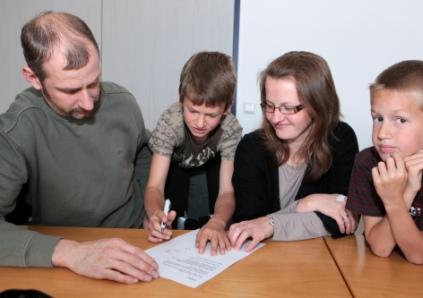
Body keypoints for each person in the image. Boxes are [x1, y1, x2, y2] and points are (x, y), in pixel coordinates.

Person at [0, 11, 159, 284]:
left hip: (136, 243)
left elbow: (143, 151)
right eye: (71, 90)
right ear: (34, 78)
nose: (88, 103)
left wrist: (148, 207)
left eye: (94, 83)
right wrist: (70, 252)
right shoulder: (17, 130)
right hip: (67, 253)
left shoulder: (123, 102)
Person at [228, 51, 359, 251]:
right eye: (269, 106)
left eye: (288, 108)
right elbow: (249, 225)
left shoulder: (340, 139)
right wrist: (305, 204)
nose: (275, 118)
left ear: (318, 105)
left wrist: (269, 225)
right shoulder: (252, 147)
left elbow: (343, 221)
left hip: (315, 262)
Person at [346, 60, 423, 264]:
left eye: (400, 120)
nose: (382, 133)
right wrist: (406, 192)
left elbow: (419, 255)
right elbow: (381, 248)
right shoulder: (367, 163)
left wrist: (393, 200)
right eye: (378, 118)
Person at [144, 51, 242, 255]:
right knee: (163, 210)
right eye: (193, 111)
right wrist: (155, 214)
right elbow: (154, 185)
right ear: (181, 100)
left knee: (223, 211)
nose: (200, 123)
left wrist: (218, 221)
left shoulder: (230, 129)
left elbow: (227, 191)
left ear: (226, 108)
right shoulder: (170, 123)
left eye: (211, 115)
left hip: (210, 163)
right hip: (175, 164)